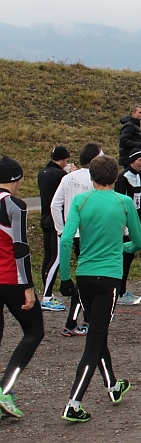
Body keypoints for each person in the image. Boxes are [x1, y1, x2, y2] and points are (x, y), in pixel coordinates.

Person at [59, 155, 141, 423]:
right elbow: (138, 241)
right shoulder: (124, 201)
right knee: (94, 341)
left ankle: (113, 385)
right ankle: (73, 403)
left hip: (84, 276)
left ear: (91, 178)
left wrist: (64, 277)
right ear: (116, 178)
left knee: (97, 331)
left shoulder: (80, 201)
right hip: (109, 278)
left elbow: (65, 240)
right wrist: (121, 248)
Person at [0, 157, 44, 419]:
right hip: (11, 279)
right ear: (17, 180)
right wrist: (28, 286)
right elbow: (21, 247)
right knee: (34, 330)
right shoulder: (14, 204)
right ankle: (5, 389)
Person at [52, 143, 104, 338]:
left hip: (72, 234)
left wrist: (62, 230)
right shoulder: (95, 180)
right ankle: (75, 322)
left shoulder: (68, 178)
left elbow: (55, 205)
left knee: (87, 277)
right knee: (88, 279)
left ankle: (86, 319)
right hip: (89, 236)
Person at [38, 145, 73, 312]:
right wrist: (70, 174)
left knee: (48, 257)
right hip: (56, 221)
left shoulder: (42, 173)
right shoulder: (60, 175)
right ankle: (46, 295)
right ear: (62, 159)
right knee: (57, 258)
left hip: (45, 219)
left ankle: (47, 291)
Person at [113, 149, 141, 306]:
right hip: (123, 222)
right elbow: (119, 202)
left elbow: (138, 202)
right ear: (132, 160)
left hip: (134, 220)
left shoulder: (140, 176)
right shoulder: (123, 178)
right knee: (124, 256)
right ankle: (119, 291)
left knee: (130, 255)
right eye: (140, 160)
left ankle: (121, 289)